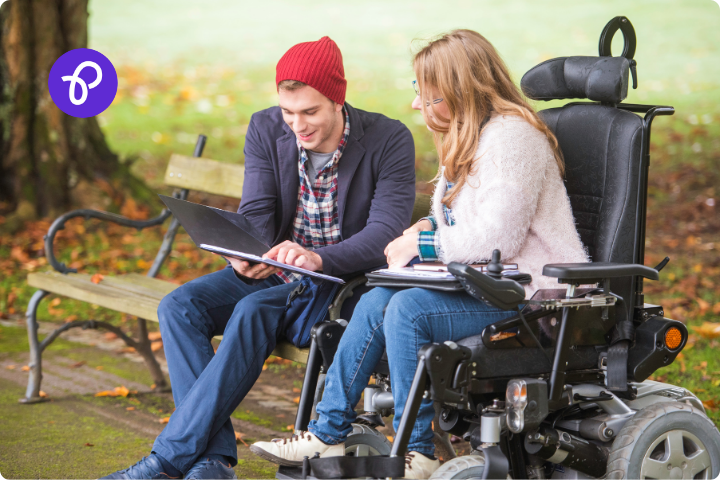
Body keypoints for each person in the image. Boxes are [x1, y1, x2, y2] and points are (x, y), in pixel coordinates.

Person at [250, 29, 589, 478]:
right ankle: (326, 434)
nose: (417, 107)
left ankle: (420, 450)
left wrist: (423, 243)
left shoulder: (512, 138)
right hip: (491, 284)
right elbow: (463, 221)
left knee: (409, 309)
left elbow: (498, 238)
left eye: (428, 97)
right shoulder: (471, 137)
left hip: (536, 294)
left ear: (461, 91)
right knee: (374, 301)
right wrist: (426, 227)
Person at [102, 36, 416, 480]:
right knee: (179, 305)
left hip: (340, 283)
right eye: (289, 112)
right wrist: (247, 253)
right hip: (279, 270)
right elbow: (257, 211)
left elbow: (384, 234)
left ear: (338, 99)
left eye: (310, 112)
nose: (297, 125)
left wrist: (316, 259)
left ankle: (169, 461)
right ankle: (211, 461)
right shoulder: (267, 128)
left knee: (251, 310)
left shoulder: (388, 139)